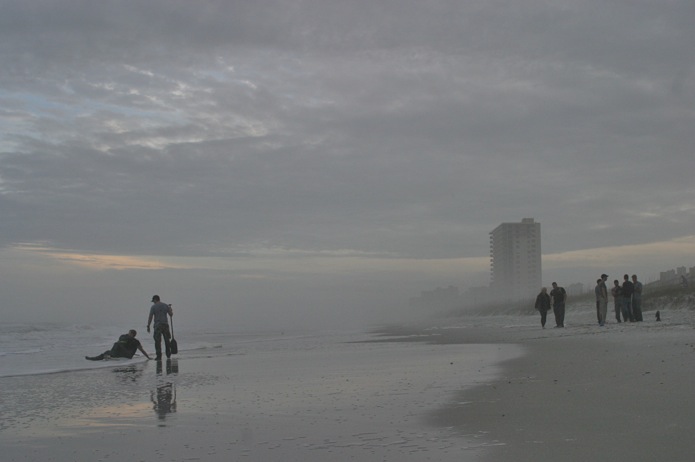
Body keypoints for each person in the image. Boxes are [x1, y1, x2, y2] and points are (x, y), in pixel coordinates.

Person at [85, 329, 151, 361]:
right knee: (111, 349)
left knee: (113, 346)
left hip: (123, 355)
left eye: (129, 333)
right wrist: (148, 357)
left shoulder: (129, 339)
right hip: (128, 355)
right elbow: (141, 350)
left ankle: (93, 359)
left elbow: (142, 350)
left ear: (131, 334)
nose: (127, 334)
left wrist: (148, 357)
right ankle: (110, 356)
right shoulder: (136, 341)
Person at [147, 295, 174, 361]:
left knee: (157, 341)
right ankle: (168, 354)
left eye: (153, 301)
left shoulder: (153, 307)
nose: (153, 302)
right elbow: (171, 314)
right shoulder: (165, 306)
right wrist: (170, 309)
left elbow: (150, 317)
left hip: (158, 325)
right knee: (167, 340)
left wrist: (148, 325)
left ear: (155, 300)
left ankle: (159, 356)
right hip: (165, 325)